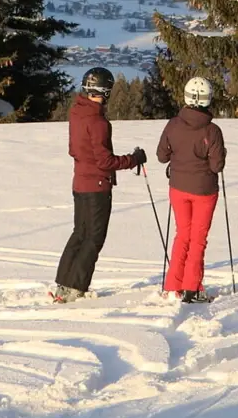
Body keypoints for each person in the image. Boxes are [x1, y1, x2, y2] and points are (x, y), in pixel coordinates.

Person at [52, 67, 147, 303]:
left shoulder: (77, 112)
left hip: (80, 182)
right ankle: (76, 287)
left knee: (79, 233)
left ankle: (64, 284)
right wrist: (133, 159)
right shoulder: (98, 121)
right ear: (105, 91)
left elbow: (74, 149)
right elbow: (105, 161)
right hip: (97, 186)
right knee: (94, 238)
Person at [157, 76, 226, 303]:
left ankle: (173, 285)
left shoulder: (173, 124)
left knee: (182, 236)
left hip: (178, 188)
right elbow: (217, 165)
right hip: (204, 190)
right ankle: (192, 288)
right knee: (197, 240)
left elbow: (161, 156)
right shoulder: (212, 130)